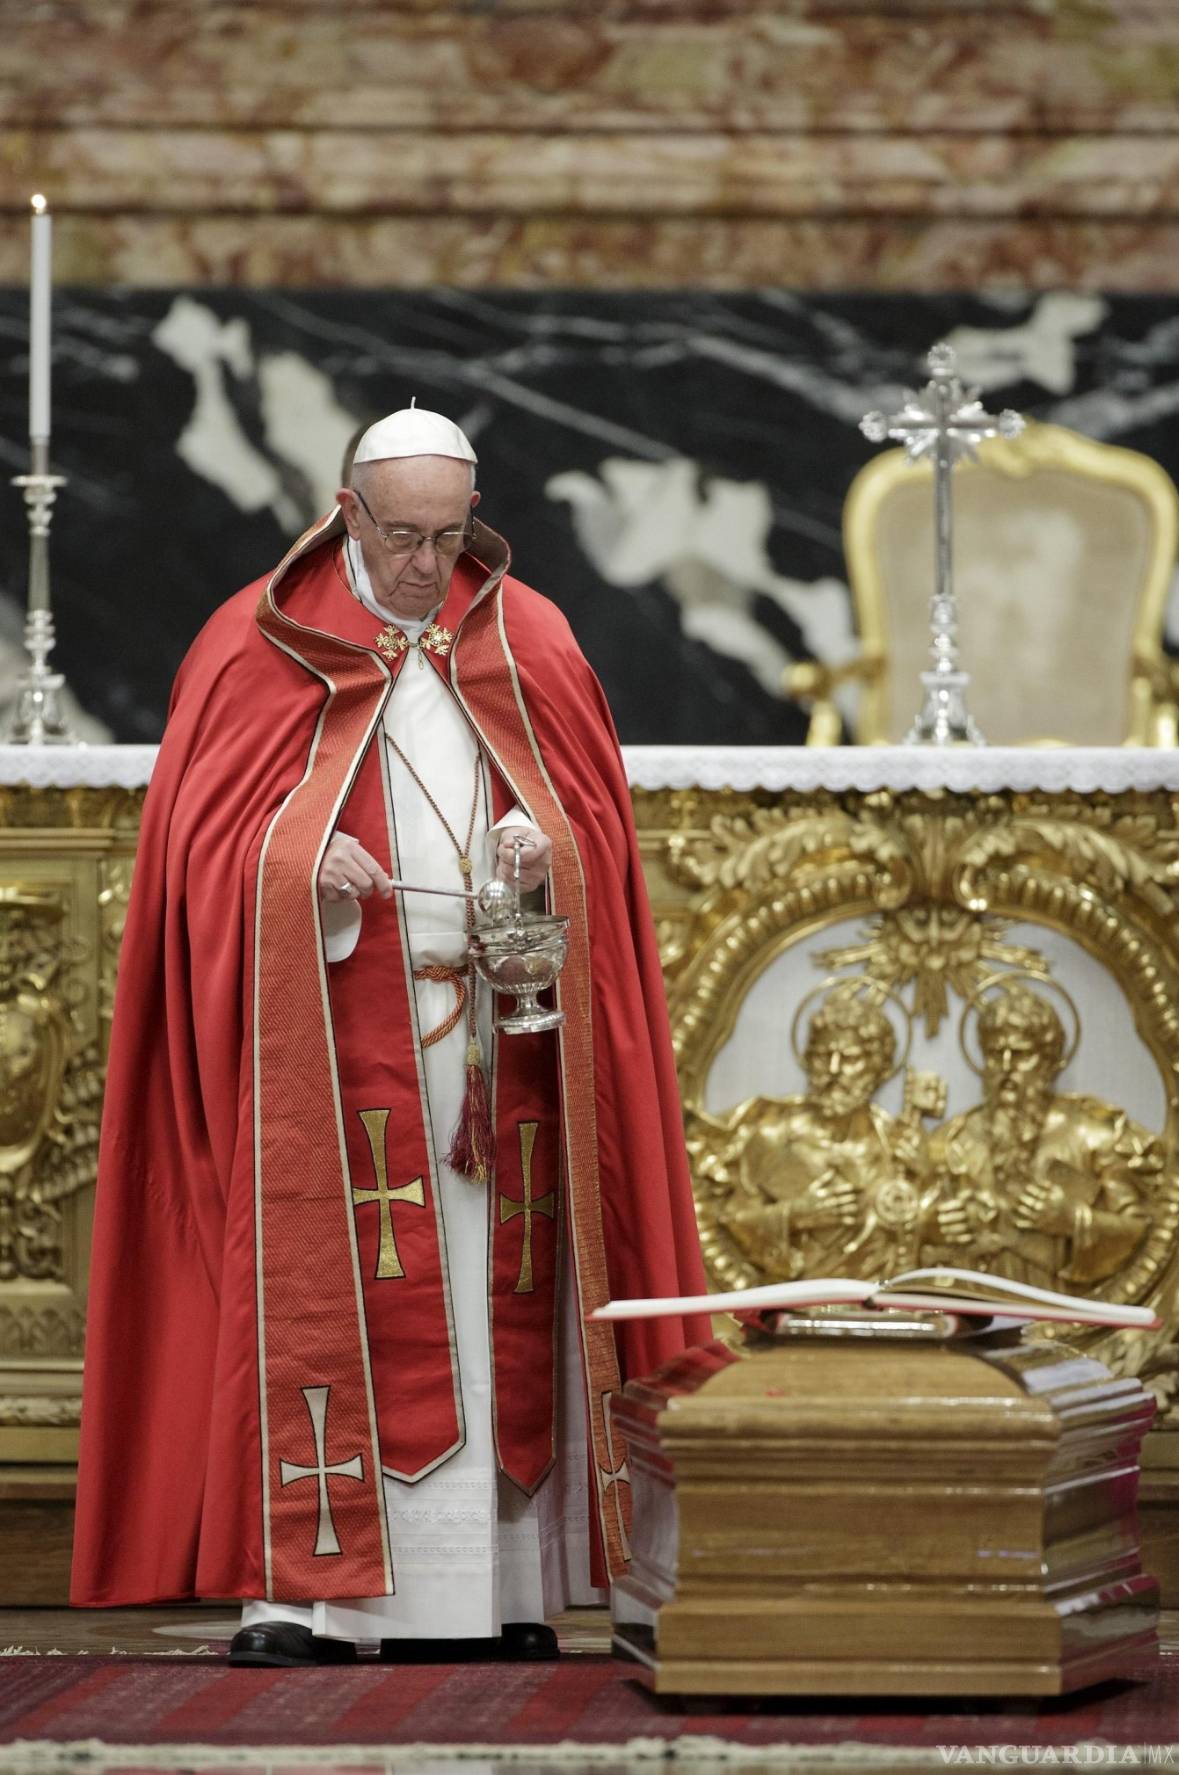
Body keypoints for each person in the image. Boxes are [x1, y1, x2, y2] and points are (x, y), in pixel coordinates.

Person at [71, 406, 709, 1667]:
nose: (426, 565)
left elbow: (591, 831)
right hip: (330, 1038)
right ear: (348, 511)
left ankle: (498, 1592)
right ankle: (308, 1598)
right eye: (403, 535)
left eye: (449, 536)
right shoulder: (257, 642)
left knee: (494, 1309)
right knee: (343, 1295)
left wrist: (541, 851)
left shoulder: (530, 638)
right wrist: (298, 863)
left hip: (501, 1044)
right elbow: (197, 854)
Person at [931, 984, 1156, 1286]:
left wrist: (1073, 1218)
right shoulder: (955, 1138)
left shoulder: (1093, 1135)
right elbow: (914, 1223)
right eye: (995, 1054)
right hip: (971, 1302)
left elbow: (1141, 1232)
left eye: (1021, 1054)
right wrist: (933, 1226)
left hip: (1062, 1304)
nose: (1006, 1067)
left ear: (1049, 1062)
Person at [709, 991, 939, 1281]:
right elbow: (733, 1219)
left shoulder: (894, 1143)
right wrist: (797, 1214)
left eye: (850, 1058)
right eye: (822, 1055)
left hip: (878, 1298)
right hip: (794, 1298)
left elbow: (924, 1234)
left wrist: (925, 1179)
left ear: (878, 1067)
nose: (833, 1070)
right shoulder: (773, 1137)